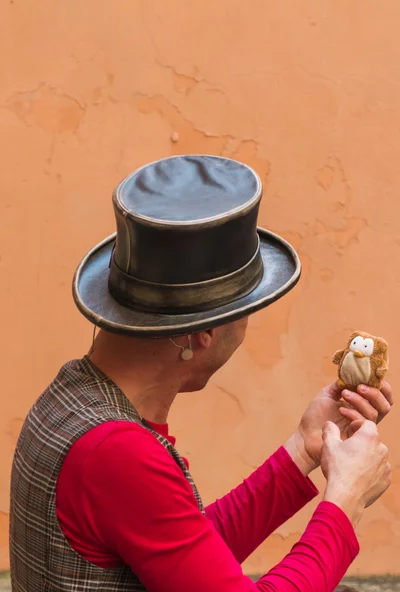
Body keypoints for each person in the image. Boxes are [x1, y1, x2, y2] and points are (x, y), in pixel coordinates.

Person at [10, 155, 392, 592]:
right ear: (205, 333)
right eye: (248, 310)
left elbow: (188, 556)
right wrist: (344, 502)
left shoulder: (72, 396)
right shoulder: (118, 454)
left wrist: (303, 449)